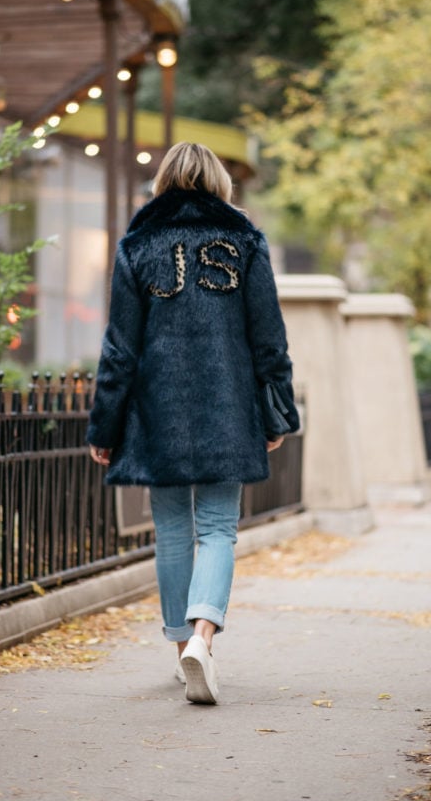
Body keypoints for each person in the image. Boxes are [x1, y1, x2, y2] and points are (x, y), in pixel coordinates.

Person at [87, 142, 299, 705]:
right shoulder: (246, 243)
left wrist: (105, 426)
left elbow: (119, 349)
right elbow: (268, 338)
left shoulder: (138, 245)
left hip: (158, 408)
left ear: (163, 181)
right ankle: (203, 636)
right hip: (229, 405)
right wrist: (276, 407)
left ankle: (180, 643)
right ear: (220, 185)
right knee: (218, 529)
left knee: (174, 532)